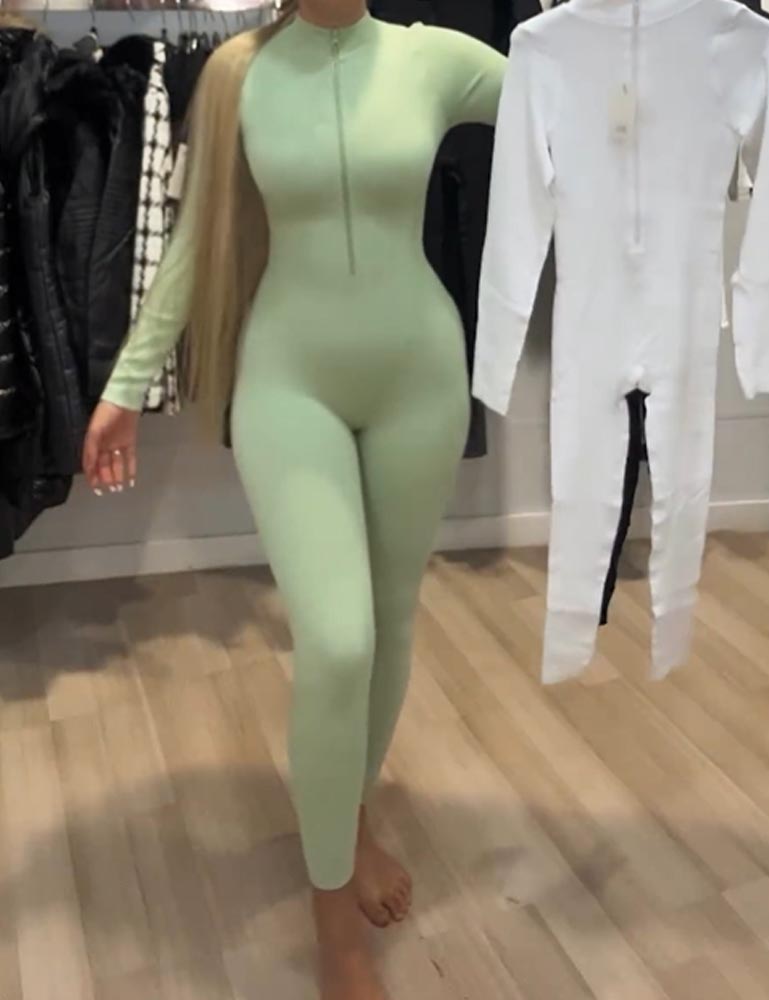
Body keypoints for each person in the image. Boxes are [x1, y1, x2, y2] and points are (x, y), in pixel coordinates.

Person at [82, 1, 506, 996]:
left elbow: (580, 94)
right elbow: (193, 243)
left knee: (389, 625)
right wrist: (124, 386)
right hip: (289, 382)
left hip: (419, 378)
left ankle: (348, 819)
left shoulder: (435, 60)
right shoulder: (237, 72)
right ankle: (333, 919)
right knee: (338, 641)